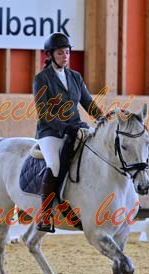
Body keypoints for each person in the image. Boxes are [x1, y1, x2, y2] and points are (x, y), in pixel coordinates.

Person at [33, 32, 102, 232]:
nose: (65, 56)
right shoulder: (41, 79)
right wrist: (63, 127)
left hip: (75, 127)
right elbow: (43, 112)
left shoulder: (75, 77)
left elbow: (88, 103)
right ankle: (46, 215)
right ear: (50, 55)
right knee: (54, 164)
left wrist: (102, 119)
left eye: (67, 52)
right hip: (50, 132)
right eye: (60, 53)